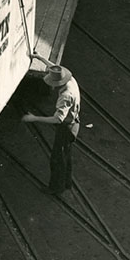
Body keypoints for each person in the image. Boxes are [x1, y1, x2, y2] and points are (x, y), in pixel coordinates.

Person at [21, 57, 80, 196]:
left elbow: (58, 119)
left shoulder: (65, 96)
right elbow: (55, 68)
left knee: (57, 159)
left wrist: (34, 118)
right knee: (66, 155)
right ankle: (67, 182)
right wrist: (39, 57)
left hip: (66, 128)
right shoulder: (71, 80)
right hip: (74, 124)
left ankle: (56, 188)